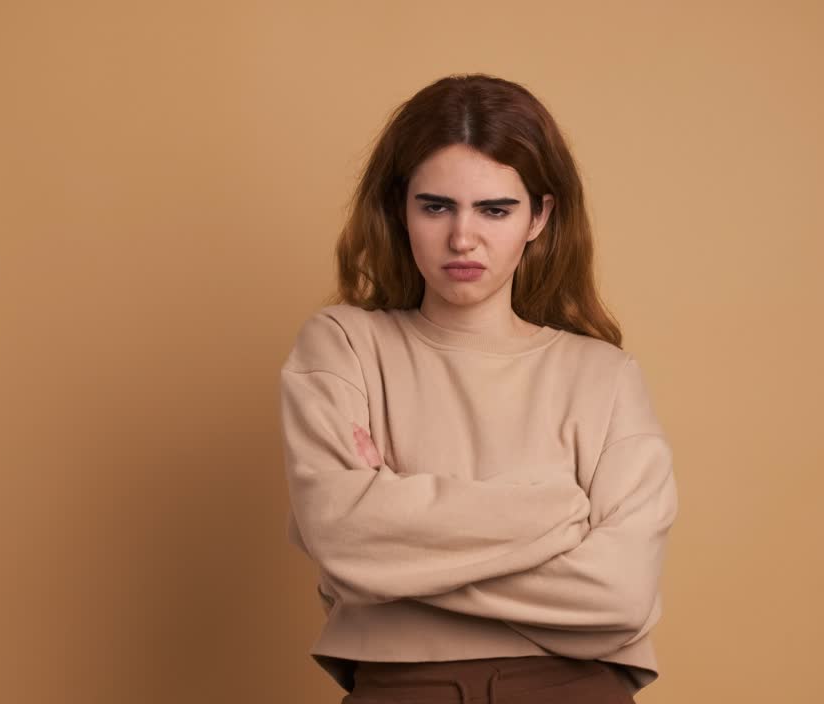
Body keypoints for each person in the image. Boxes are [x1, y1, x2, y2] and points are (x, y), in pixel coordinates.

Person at [279, 73, 679, 703]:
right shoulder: (345, 347)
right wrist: (558, 513)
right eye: (436, 206)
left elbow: (621, 594)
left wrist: (398, 559)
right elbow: (341, 536)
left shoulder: (603, 375)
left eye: (495, 209)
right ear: (400, 208)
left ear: (539, 216)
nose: (462, 238)